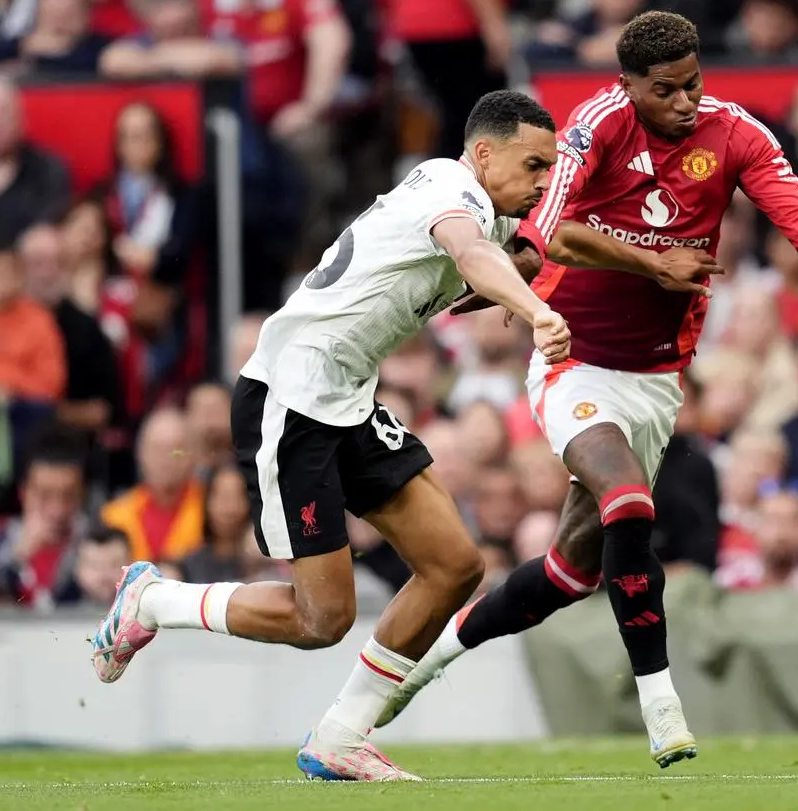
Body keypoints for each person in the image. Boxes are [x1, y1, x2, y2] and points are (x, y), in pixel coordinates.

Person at [89, 90, 714, 782]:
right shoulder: (453, 190)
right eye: (533, 165)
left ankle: (340, 736)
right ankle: (154, 599)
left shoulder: (483, 205)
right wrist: (532, 309)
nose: (543, 181)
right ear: (483, 153)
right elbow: (470, 249)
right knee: (321, 617)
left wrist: (646, 264)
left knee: (455, 565)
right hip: (289, 402)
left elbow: (545, 243)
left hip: (348, 398)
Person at [378, 11, 798, 767]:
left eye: (694, 83)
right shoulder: (596, 124)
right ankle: (662, 706)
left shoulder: (737, 134)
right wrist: (542, 261)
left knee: (568, 571)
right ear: (628, 85)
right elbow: (551, 222)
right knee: (628, 500)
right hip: (572, 357)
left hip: (657, 375)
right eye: (667, 89)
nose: (687, 101)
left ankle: (431, 659)